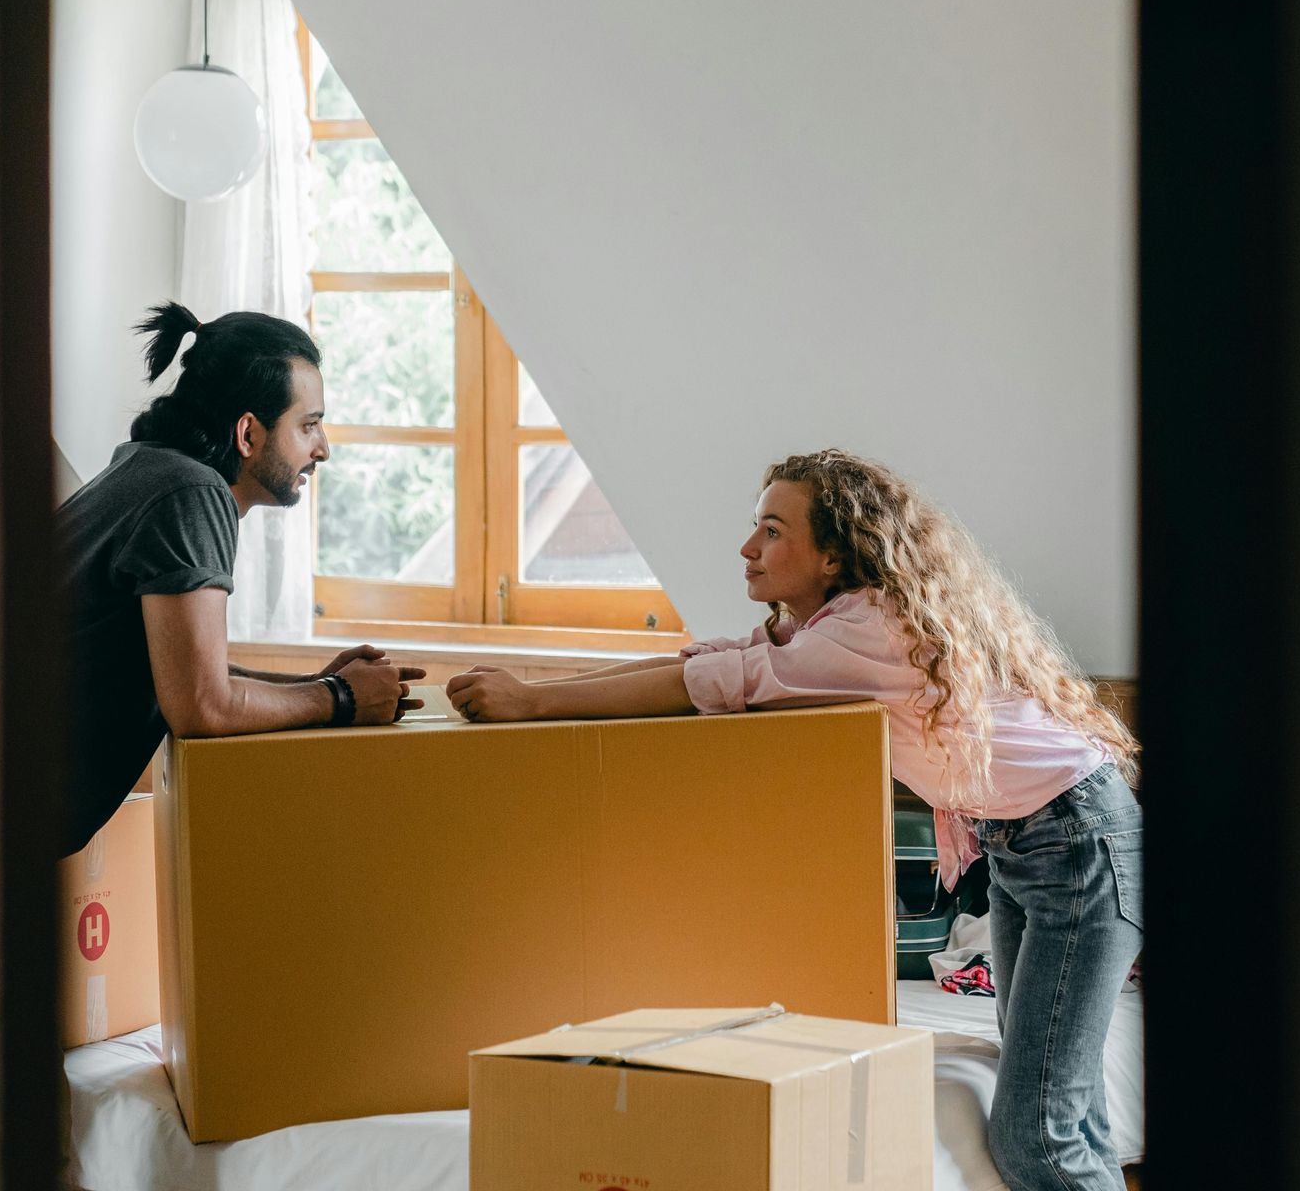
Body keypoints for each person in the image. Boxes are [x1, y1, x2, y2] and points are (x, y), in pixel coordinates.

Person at [446, 449, 1142, 1191]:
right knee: (1065, 1115)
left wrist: (536, 703)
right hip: (1031, 840)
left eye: (773, 531)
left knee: (1038, 1137)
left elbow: (708, 685)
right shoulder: (829, 629)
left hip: (1076, 844)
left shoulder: (864, 635)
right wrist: (535, 690)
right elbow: (711, 660)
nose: (749, 549)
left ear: (836, 553)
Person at [57, 302, 422, 857]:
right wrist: (341, 699)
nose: (322, 448)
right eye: (309, 425)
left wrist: (310, 686)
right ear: (248, 433)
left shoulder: (147, 468)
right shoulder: (190, 492)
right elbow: (201, 704)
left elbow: (186, 673)